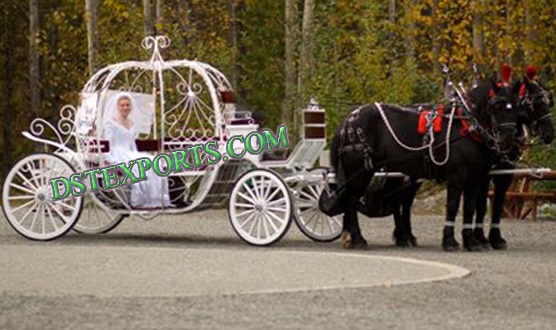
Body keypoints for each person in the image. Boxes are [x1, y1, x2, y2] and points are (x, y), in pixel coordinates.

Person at [103, 92, 171, 209]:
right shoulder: (111, 123)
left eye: (127, 105)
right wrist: (109, 159)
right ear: (117, 106)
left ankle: (154, 199)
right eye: (122, 105)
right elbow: (108, 143)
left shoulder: (131, 123)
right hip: (118, 153)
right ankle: (140, 199)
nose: (125, 108)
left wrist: (137, 153)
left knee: (154, 161)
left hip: (130, 152)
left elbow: (132, 144)